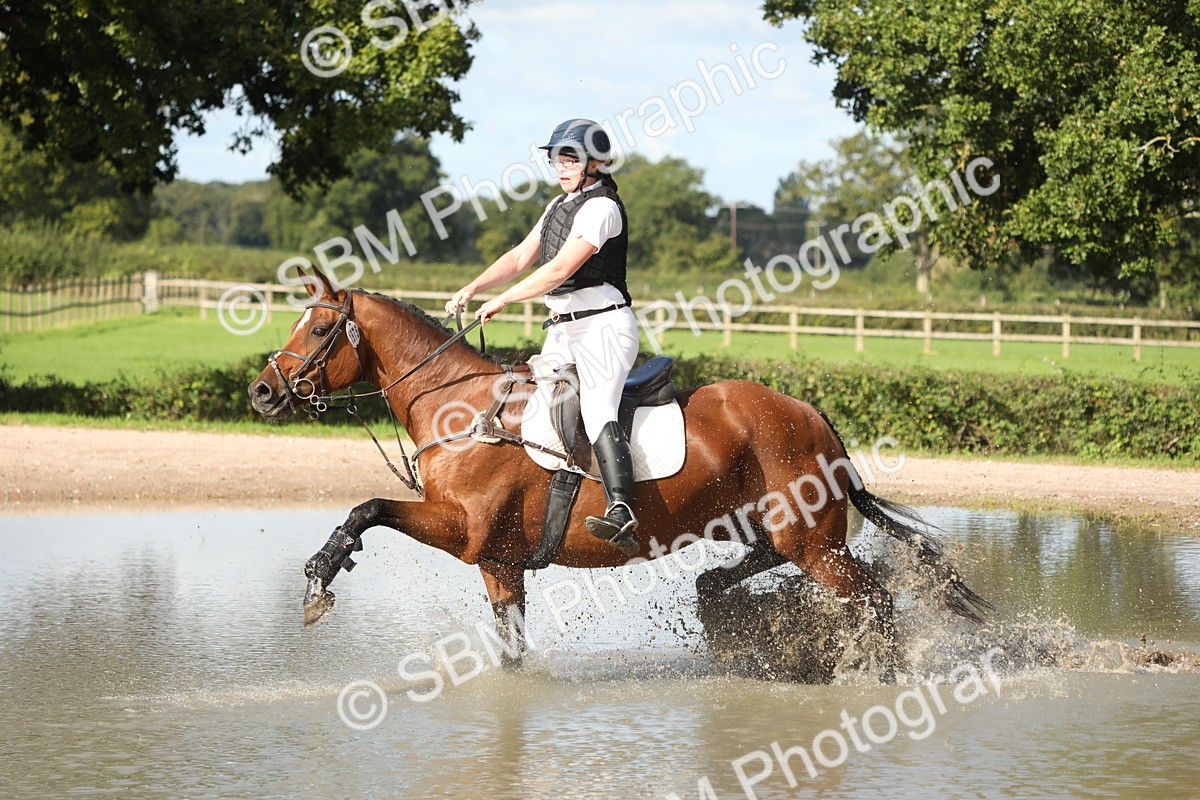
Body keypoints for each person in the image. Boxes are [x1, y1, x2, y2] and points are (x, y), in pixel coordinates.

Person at [445, 118, 640, 555]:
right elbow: (519, 257)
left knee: (596, 406)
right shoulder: (557, 205)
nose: (560, 166)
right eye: (557, 158)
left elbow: (558, 270)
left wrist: (504, 301)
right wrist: (475, 287)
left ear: (595, 164)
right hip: (563, 332)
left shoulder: (602, 208)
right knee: (526, 404)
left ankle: (622, 510)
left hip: (603, 328)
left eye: (570, 158)